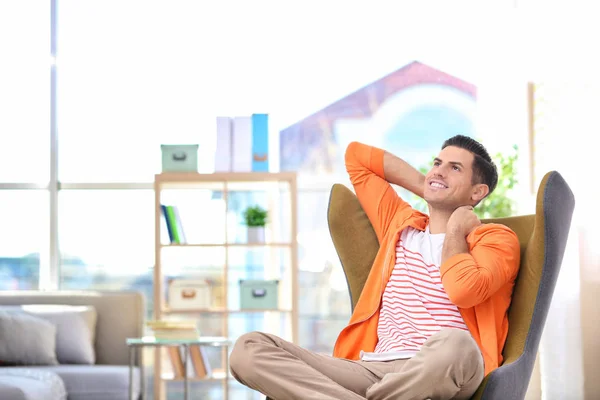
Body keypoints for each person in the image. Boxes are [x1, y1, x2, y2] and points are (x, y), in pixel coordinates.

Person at [229, 135, 521, 400]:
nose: (440, 170)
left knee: (457, 342)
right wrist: (430, 185)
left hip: (444, 368)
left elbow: (463, 291)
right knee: (249, 349)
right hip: (371, 369)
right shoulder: (400, 224)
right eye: (437, 163)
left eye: (455, 168)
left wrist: (456, 231)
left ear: (477, 192)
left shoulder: (495, 239)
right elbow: (357, 158)